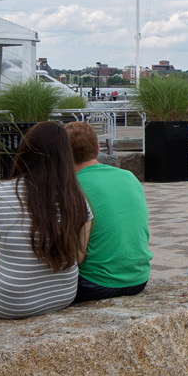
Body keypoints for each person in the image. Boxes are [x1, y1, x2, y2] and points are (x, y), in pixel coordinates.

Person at [0, 121, 92, 322]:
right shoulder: (77, 199)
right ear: (65, 155)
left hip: (11, 299)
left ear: (26, 149)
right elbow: (78, 257)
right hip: (63, 294)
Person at [66, 121, 152, 301]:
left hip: (95, 282)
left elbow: (74, 253)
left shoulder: (70, 186)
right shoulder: (128, 176)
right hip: (139, 278)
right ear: (98, 148)